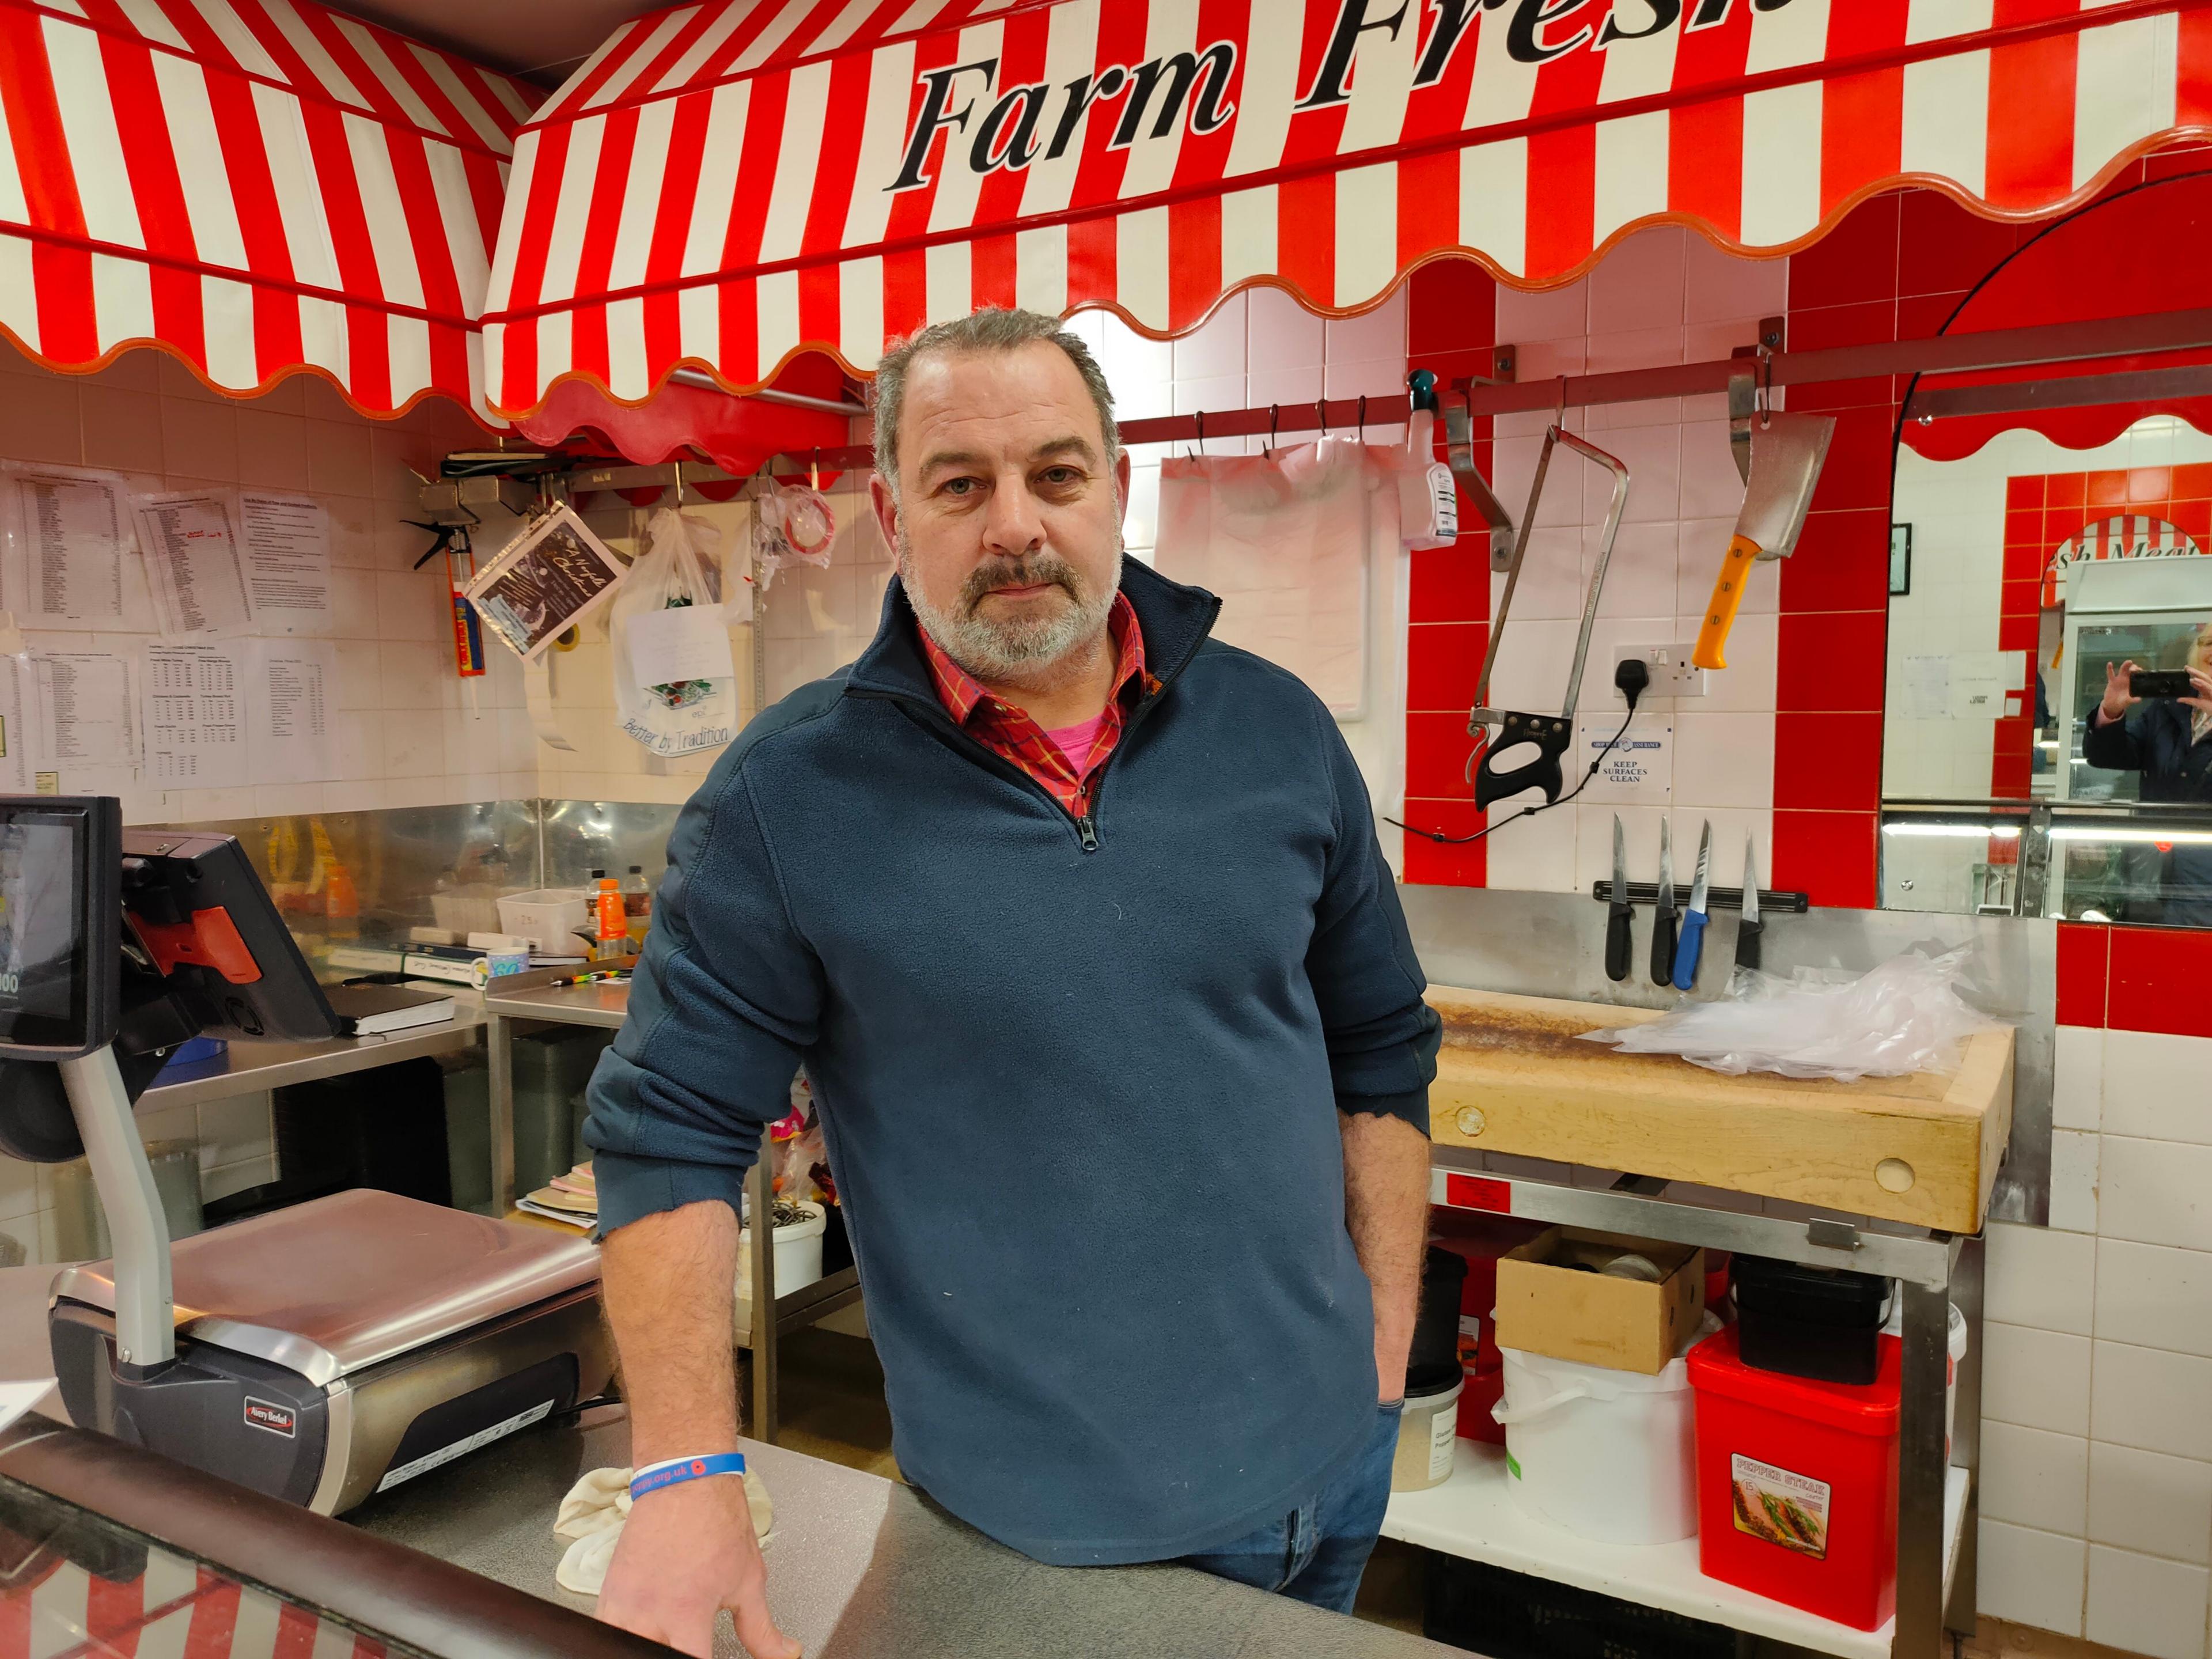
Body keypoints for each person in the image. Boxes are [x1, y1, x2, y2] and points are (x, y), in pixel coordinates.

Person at [580, 308, 1442, 1657]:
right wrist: (687, 1472)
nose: (1015, 527)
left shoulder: (1275, 729)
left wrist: (1381, 1339)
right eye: (959, 483)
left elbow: (1379, 1046)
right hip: (1031, 1523)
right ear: (888, 508)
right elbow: (665, 1135)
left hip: (1330, 1467)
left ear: (1116, 485)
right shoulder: (785, 798)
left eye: (1054, 474)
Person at [2084, 625, 2212, 925]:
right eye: (2208, 642)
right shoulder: (2167, 708)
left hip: (2206, 870)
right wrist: (2111, 712)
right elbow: (2108, 756)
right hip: (2153, 862)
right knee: (2148, 954)